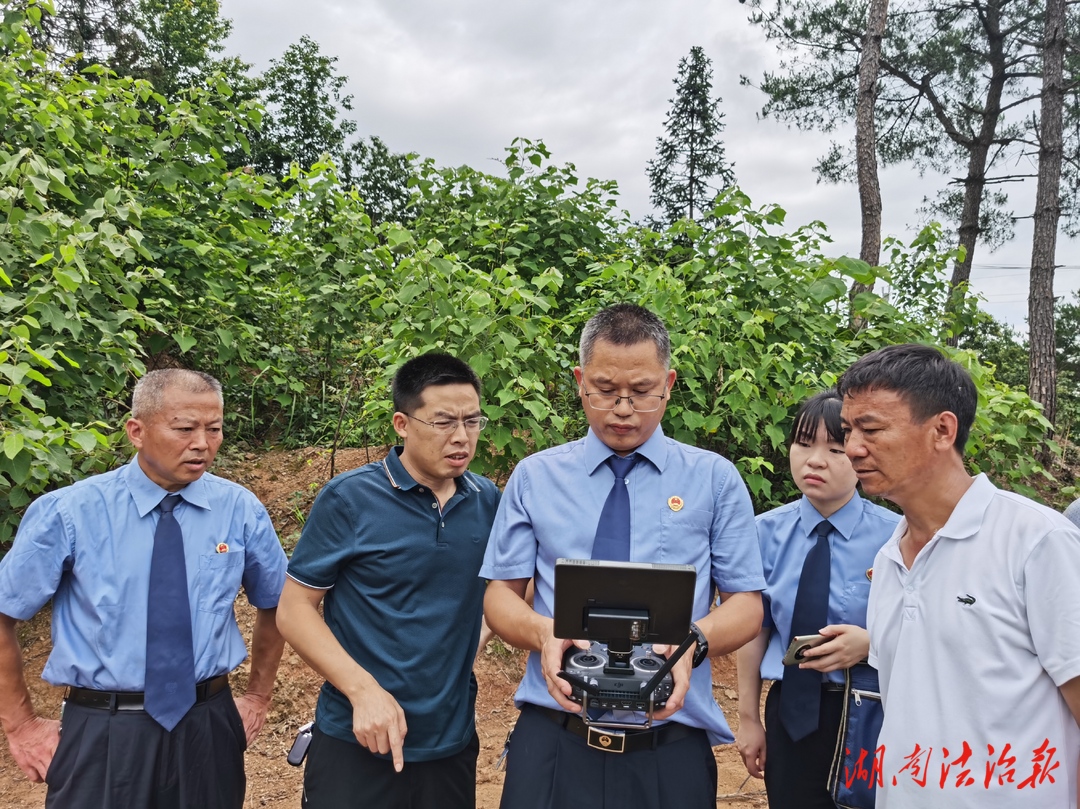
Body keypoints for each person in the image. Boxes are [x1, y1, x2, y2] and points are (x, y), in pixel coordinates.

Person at [481, 303, 766, 809]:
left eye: (641, 392)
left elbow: (745, 603)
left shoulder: (714, 480)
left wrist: (691, 643)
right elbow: (501, 595)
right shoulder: (535, 477)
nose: (623, 409)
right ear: (580, 381)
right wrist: (542, 631)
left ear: (669, 383)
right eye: (606, 390)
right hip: (554, 741)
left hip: (668, 748)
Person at [0, 368, 288, 809]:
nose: (202, 443)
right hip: (104, 731)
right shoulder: (70, 513)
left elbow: (277, 605)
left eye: (214, 429)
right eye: (185, 428)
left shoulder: (239, 509)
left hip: (207, 725)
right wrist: (21, 726)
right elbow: (4, 615)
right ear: (137, 431)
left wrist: (256, 697)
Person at [838, 343, 1080, 808]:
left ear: (943, 430)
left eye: (871, 429)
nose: (852, 448)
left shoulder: (1036, 542)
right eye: (848, 429)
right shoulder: (890, 558)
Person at [276, 353, 500, 809]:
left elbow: (505, 591)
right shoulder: (350, 499)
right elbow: (294, 608)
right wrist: (363, 691)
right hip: (357, 737)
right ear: (402, 423)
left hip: (449, 739)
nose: (461, 436)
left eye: (472, 421)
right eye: (443, 422)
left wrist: (471, 642)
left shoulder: (486, 499)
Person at [735, 389, 899, 808]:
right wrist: (750, 720)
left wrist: (870, 644)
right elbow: (754, 632)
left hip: (872, 712)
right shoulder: (763, 534)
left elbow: (925, 626)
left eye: (835, 448)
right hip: (791, 711)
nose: (815, 460)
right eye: (804, 444)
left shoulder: (897, 537)